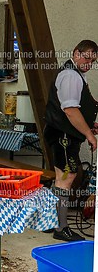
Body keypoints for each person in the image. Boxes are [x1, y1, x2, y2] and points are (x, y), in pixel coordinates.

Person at [44, 40, 98, 242]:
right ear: (76, 53)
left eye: (93, 60)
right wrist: (89, 135)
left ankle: (50, 222)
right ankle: (61, 227)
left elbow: (76, 110)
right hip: (63, 137)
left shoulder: (76, 75)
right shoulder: (70, 75)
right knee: (66, 177)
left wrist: (88, 126)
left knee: (62, 177)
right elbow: (70, 110)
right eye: (86, 56)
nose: (88, 62)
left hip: (64, 135)